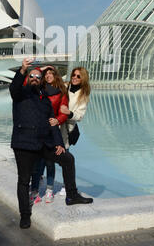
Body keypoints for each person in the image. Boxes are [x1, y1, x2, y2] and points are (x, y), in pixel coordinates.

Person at [9, 58, 93, 229]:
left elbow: (52, 122)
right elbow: (14, 87)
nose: (34, 78)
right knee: (24, 180)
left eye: (37, 77)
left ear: (41, 81)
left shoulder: (45, 99)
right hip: (24, 144)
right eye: (31, 76)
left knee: (67, 159)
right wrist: (24, 69)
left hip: (43, 144)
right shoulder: (20, 94)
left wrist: (59, 143)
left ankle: (71, 195)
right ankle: (25, 215)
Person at [30, 66, 69, 204]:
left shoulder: (61, 92)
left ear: (56, 75)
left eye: (51, 73)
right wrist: (42, 67)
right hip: (38, 130)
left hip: (52, 130)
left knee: (50, 162)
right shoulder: (39, 89)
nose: (48, 76)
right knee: (37, 162)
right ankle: (34, 190)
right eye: (46, 74)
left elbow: (64, 111)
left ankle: (49, 191)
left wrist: (57, 119)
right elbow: (29, 77)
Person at [59, 67, 91, 196]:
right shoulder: (64, 86)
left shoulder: (83, 94)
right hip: (55, 126)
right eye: (74, 75)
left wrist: (69, 113)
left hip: (67, 129)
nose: (75, 77)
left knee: (65, 159)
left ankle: (66, 185)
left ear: (83, 78)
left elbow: (80, 116)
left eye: (78, 76)